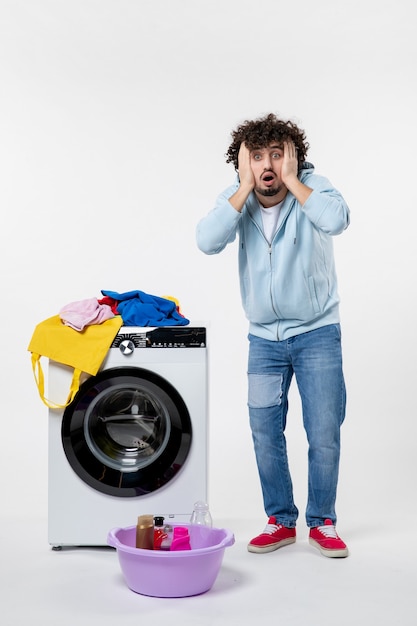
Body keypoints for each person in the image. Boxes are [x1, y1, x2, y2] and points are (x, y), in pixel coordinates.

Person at [196, 113, 350, 558]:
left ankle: (323, 521)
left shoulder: (314, 189)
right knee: (265, 431)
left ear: (293, 158)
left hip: (318, 332)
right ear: (244, 162)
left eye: (277, 154)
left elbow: (337, 220)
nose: (269, 165)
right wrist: (243, 186)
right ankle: (281, 520)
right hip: (263, 341)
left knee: (323, 431)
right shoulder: (237, 199)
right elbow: (206, 241)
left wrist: (294, 179)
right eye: (258, 155)